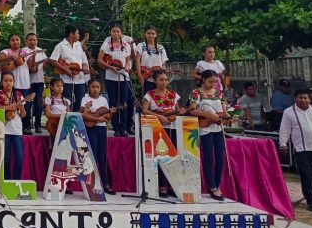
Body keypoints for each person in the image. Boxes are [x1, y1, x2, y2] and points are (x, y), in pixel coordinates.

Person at [142, 69, 184, 197]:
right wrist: (159, 117)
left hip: (173, 127)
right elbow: (144, 109)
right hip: (158, 128)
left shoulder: (173, 94)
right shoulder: (150, 94)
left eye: (166, 79)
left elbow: (177, 110)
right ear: (155, 81)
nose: (164, 82)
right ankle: (161, 185)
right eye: (161, 79)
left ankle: (172, 185)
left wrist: (180, 112)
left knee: (172, 155)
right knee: (161, 156)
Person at [189, 70, 228, 201]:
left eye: (215, 82)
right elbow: (192, 110)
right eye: (210, 81)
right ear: (203, 79)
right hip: (205, 128)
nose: (213, 84)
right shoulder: (196, 92)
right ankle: (212, 186)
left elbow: (224, 111)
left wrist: (224, 116)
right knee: (209, 157)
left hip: (217, 127)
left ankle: (217, 185)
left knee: (220, 157)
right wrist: (207, 115)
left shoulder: (218, 93)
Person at [279, 89, 312, 212]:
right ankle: (310, 200)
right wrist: (283, 144)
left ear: (309, 99)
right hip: (302, 149)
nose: (303, 100)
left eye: (305, 98)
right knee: (306, 175)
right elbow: (284, 129)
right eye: (300, 98)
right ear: (295, 99)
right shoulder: (289, 112)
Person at [80, 78, 115, 195]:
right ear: (89, 88)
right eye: (93, 87)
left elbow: (107, 116)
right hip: (91, 128)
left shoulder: (104, 99)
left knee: (102, 156)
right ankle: (93, 184)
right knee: (93, 155)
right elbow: (84, 115)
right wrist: (97, 118)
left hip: (102, 128)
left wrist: (111, 113)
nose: (96, 89)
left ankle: (106, 183)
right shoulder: (85, 99)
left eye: (98, 87)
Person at [98, 24, 133, 137]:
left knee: (123, 103)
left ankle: (123, 128)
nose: (116, 34)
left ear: (121, 33)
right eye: (114, 31)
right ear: (110, 32)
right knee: (113, 102)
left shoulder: (126, 45)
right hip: (110, 77)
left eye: (118, 31)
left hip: (123, 77)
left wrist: (127, 66)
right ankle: (116, 128)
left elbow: (128, 60)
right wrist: (111, 67)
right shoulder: (107, 44)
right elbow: (100, 60)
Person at [0, 72, 27, 180]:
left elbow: (23, 115)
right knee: (5, 159)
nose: (8, 83)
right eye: (6, 81)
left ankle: (16, 181)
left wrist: (21, 108)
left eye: (11, 81)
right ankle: (6, 181)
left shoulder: (19, 95)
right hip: (3, 130)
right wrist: (8, 107)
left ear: (14, 82)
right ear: (2, 82)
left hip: (16, 130)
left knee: (19, 158)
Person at [50, 24, 89, 113]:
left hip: (80, 80)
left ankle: (76, 123)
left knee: (80, 102)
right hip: (66, 80)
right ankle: (67, 124)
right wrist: (65, 70)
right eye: (77, 33)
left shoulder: (79, 45)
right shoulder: (60, 46)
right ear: (71, 34)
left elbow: (83, 61)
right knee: (67, 103)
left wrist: (85, 67)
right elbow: (53, 60)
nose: (79, 35)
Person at [0, 34, 32, 133]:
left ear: (20, 41)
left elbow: (31, 66)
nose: (15, 42)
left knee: (25, 106)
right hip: (11, 84)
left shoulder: (25, 52)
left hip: (24, 83)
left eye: (17, 39)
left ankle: (26, 127)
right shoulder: (5, 51)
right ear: (9, 42)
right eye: (12, 40)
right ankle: (8, 127)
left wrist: (34, 56)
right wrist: (11, 57)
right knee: (10, 105)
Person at [134, 25, 168, 96]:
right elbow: (137, 61)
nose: (151, 35)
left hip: (159, 78)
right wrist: (139, 75)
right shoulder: (141, 45)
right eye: (148, 33)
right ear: (145, 34)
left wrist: (164, 70)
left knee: (159, 97)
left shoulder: (160, 47)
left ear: (156, 34)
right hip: (146, 77)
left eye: (153, 33)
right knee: (147, 97)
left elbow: (164, 63)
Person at [25, 33, 46, 134]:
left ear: (37, 41)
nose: (32, 42)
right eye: (30, 40)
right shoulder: (24, 51)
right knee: (27, 104)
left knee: (38, 104)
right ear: (26, 41)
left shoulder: (41, 51)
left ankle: (38, 125)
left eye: (34, 40)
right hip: (27, 82)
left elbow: (45, 67)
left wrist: (47, 62)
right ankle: (27, 126)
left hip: (39, 81)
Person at [44, 77, 72, 142]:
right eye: (57, 86)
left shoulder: (66, 100)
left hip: (64, 125)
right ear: (51, 87)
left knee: (64, 144)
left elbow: (68, 114)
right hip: (53, 125)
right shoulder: (49, 99)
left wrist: (64, 116)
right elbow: (48, 114)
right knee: (55, 144)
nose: (60, 88)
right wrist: (62, 115)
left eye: (61, 86)